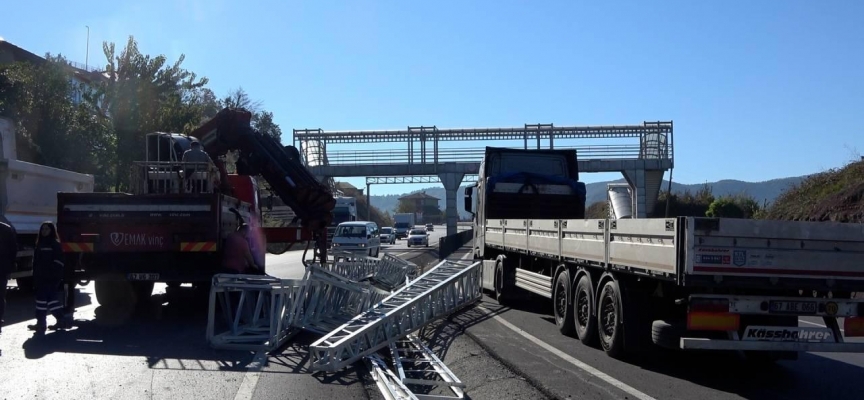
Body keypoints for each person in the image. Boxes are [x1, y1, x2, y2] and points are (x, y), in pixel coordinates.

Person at [27, 222, 68, 333]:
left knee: (41, 300)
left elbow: (59, 261)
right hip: (40, 278)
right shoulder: (39, 244)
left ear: (52, 231)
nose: (44, 231)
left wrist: (52, 275)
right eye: (43, 229)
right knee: (51, 300)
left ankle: (41, 324)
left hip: (50, 278)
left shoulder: (54, 244)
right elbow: (36, 262)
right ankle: (60, 320)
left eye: (47, 229)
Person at [0, 221, 17, 334]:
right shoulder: (7, 229)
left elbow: (13, 250)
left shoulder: (6, 229)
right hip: (3, 268)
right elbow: (13, 251)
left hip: (2, 268)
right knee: (0, 296)